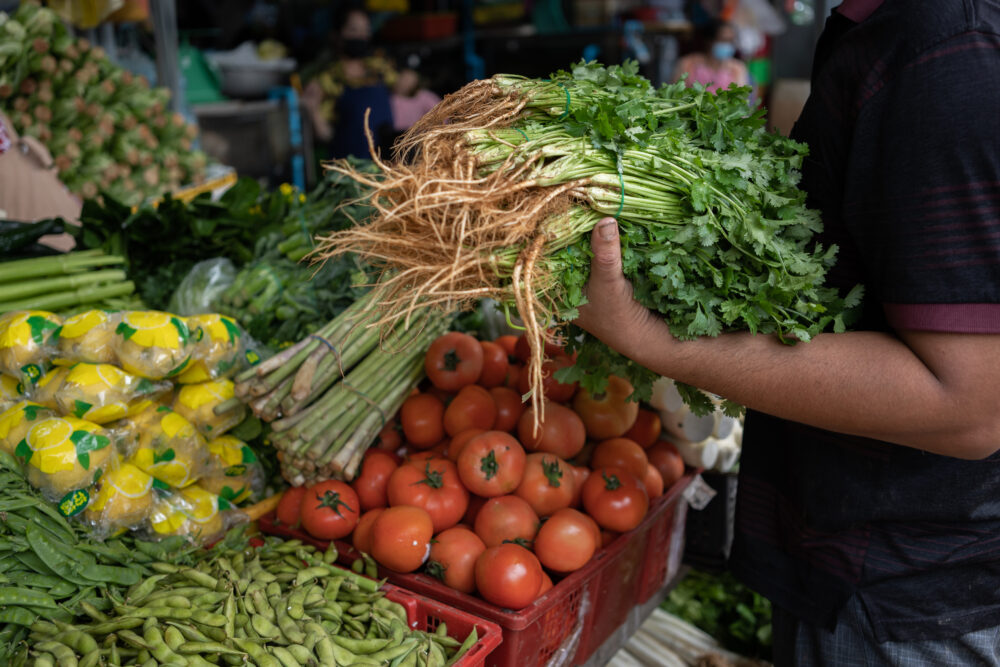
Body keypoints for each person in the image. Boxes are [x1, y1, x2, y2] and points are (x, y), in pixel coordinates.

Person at [575, 0, 1000, 664]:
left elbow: (971, 404)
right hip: (880, 578)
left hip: (907, 605)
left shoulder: (943, 52)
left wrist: (655, 340)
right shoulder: (895, 31)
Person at [300, 6, 396, 159]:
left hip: (386, 169)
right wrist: (312, 109)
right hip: (351, 170)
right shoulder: (328, 80)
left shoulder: (380, 70)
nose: (361, 35)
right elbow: (326, 135)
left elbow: (405, 90)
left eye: (365, 30)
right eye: (353, 30)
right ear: (337, 35)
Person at [672, 20, 750, 93]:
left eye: (730, 41)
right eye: (723, 40)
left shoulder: (737, 68)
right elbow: (675, 93)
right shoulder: (688, 64)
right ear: (709, 41)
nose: (727, 45)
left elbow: (741, 98)